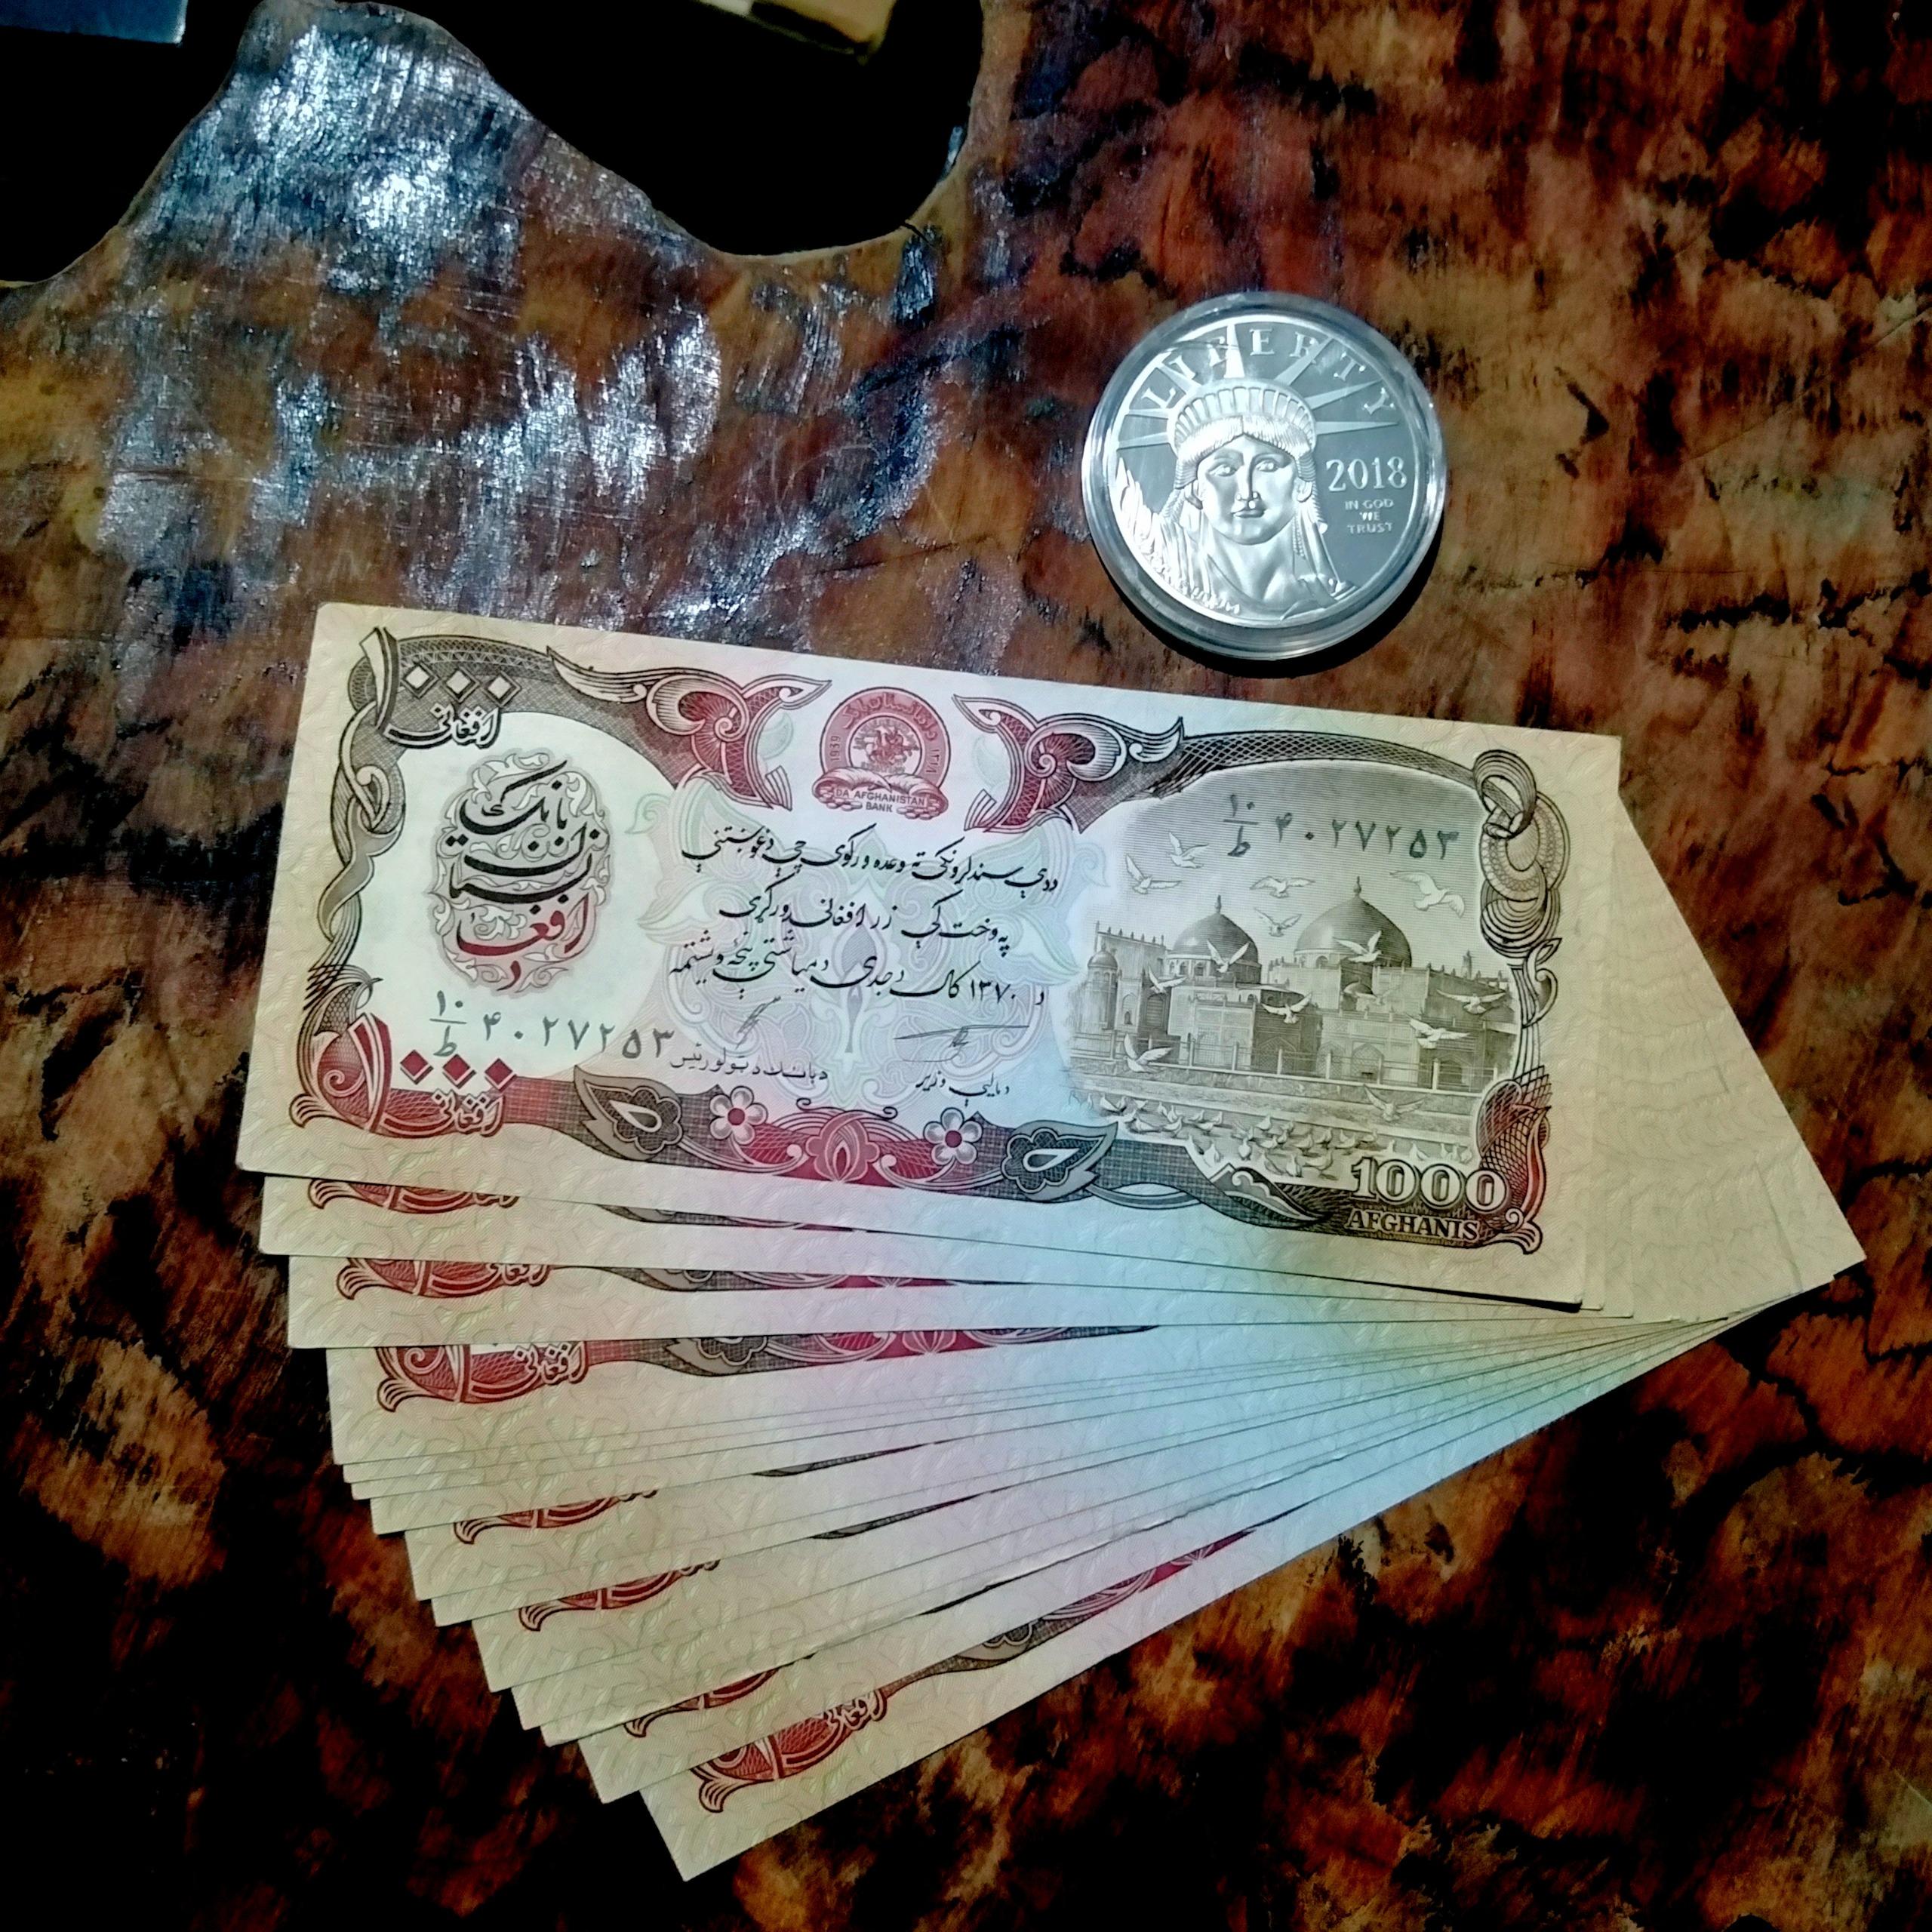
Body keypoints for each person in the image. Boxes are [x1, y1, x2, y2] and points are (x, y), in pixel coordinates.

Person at [1112, 324, 1349, 620]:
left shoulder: (1340, 600)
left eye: (1267, 465)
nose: (1247, 491)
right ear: (1194, 489)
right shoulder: (1169, 574)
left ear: (1302, 484)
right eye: (1225, 468)